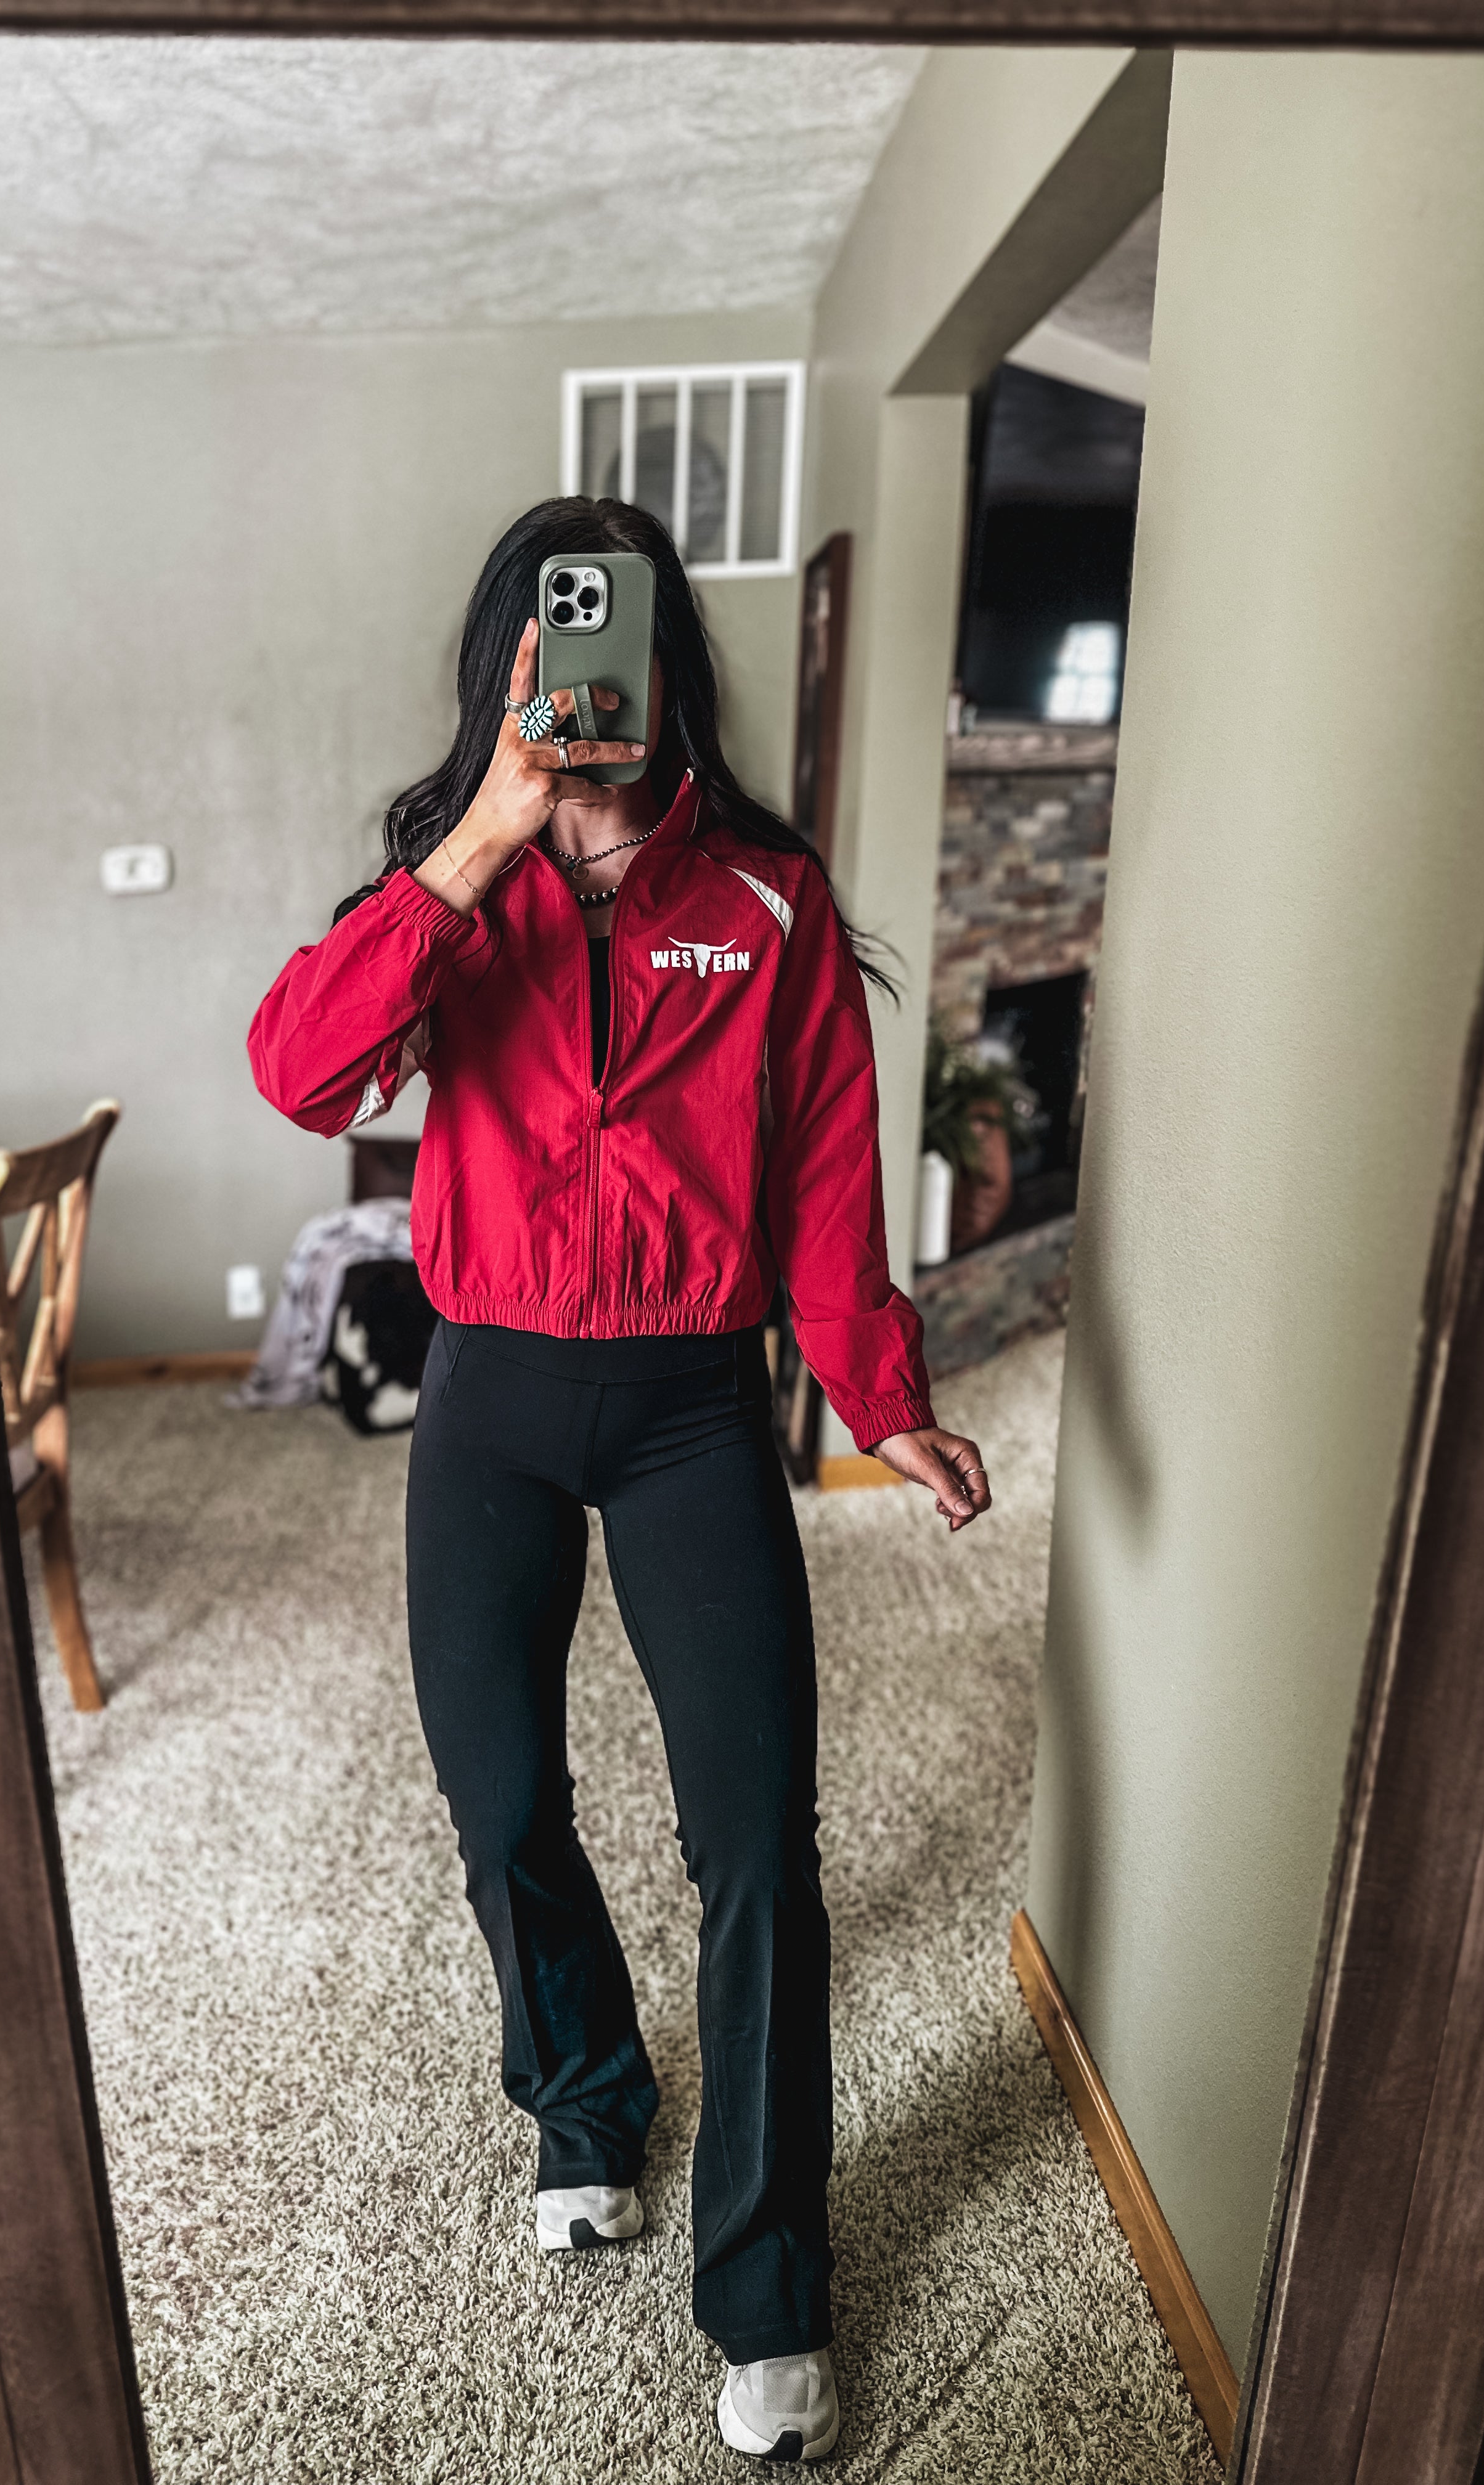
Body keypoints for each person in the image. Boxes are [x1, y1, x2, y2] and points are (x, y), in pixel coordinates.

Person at [248, 497, 990, 2463]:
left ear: (666, 664)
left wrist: (881, 1390)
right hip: (490, 1392)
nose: (586, 680)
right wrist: (482, 837)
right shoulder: (447, 885)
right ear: (506, 673)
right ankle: (585, 2103)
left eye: (616, 641)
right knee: (502, 1806)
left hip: (689, 1409)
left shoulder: (765, 896)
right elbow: (299, 1075)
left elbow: (825, 1169)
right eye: (548, 647)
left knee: (757, 1841)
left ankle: (768, 2279)